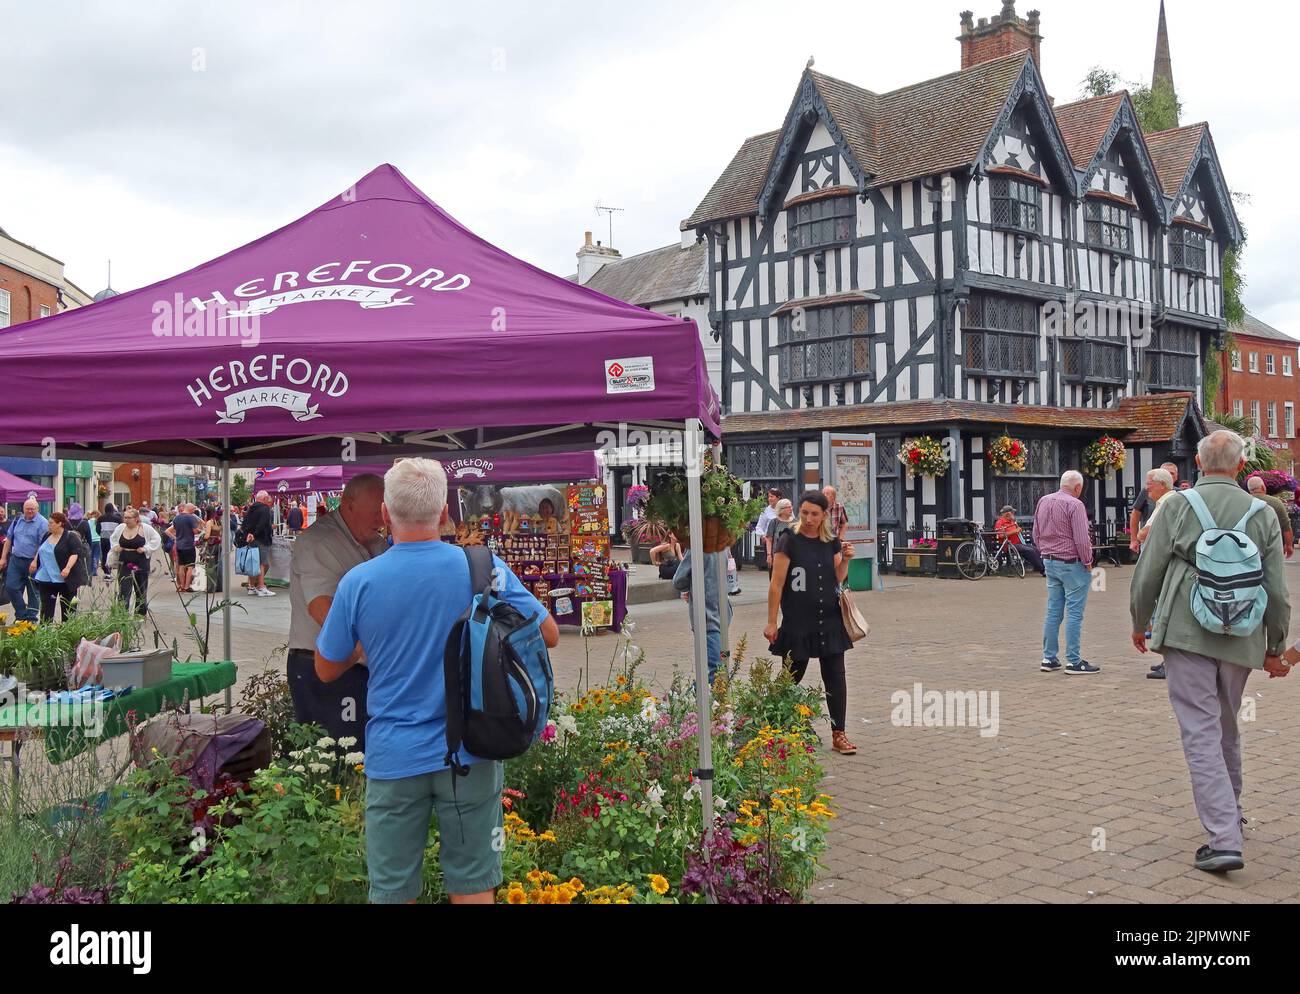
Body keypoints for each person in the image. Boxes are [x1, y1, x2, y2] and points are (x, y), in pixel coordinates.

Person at [315, 458, 559, 904]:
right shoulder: (484, 568)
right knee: (474, 886)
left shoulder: (358, 582)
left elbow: (326, 668)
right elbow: (548, 634)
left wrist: (364, 649)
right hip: (471, 749)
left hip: (393, 757)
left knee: (391, 891)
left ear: (386, 515)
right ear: (446, 513)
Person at [1130, 430, 1291, 874]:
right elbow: (1277, 589)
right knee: (1225, 726)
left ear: (1198, 465)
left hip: (1185, 633)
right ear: (1242, 467)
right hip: (1240, 637)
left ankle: (1222, 838)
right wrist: (1275, 645)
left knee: (1199, 731)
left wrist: (1139, 620)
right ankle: (1231, 814)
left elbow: (1149, 571)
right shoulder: (1261, 512)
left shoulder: (1177, 506)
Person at [289, 474, 389, 750]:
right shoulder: (318, 542)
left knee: (360, 750)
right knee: (335, 757)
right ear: (348, 505)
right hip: (321, 664)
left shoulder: (377, 544)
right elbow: (323, 610)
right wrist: (368, 644)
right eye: (374, 513)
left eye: (383, 512)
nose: (381, 521)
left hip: (360, 665)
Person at [764, 491, 858, 756]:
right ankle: (777, 731)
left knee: (836, 677)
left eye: (814, 514)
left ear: (824, 515)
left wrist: (847, 558)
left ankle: (839, 734)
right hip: (798, 621)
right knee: (790, 678)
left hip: (829, 618)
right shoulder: (788, 540)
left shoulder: (831, 542)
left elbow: (838, 577)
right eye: (804, 512)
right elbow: (777, 583)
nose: (808, 518)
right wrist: (772, 622)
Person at [1033, 470, 1098, 674]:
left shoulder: (1044, 500)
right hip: (1072, 563)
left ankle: (1049, 658)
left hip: (1049, 561)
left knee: (1053, 610)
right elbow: (1081, 538)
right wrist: (1088, 561)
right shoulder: (1075, 504)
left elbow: (1035, 533)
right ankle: (1073, 661)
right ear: (1078, 488)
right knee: (1074, 613)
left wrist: (1045, 552)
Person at [671, 548, 732, 685]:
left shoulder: (697, 546)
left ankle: (687, 700)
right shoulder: (723, 544)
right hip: (720, 614)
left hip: (707, 616)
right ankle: (690, 701)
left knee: (716, 669)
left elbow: (679, 580)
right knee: (720, 665)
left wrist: (690, 586)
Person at [30, 511, 88, 622]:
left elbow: (74, 554)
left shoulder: (70, 537)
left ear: (60, 523)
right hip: (46, 579)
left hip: (65, 580)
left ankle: (67, 634)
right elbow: (41, 548)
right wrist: (34, 561)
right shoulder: (47, 535)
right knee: (46, 611)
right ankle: (46, 635)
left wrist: (67, 568)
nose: (48, 525)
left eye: (51, 523)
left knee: (68, 611)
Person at [1, 499, 50, 623]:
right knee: (10, 587)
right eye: (27, 508)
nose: (30, 511)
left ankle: (31, 619)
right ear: (23, 509)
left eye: (32, 508)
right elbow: (9, 540)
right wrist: (3, 558)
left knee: (33, 591)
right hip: (16, 560)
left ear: (37, 509)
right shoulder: (18, 520)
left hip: (32, 562)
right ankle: (22, 614)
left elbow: (42, 545)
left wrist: (35, 561)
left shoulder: (42, 523)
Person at [108, 507, 161, 616]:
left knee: (140, 589)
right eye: (125, 517)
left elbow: (156, 539)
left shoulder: (145, 528)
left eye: (129, 518)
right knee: (124, 589)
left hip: (140, 561)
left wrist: (146, 548)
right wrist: (116, 546)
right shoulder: (121, 528)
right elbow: (113, 538)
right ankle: (122, 614)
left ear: (136, 518)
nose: (126, 520)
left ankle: (140, 614)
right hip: (124, 561)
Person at [1129, 461, 1180, 553]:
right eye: (1164, 472)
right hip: (1149, 542)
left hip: (1168, 544)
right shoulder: (1147, 491)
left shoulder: (1180, 494)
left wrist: (1141, 534)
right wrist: (1133, 540)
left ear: (1176, 476)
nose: (1167, 475)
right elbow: (1135, 514)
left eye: (1171, 473)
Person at [1245, 476, 1293, 559]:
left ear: (1249, 489)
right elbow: (1286, 526)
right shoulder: (1276, 503)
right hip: (1273, 545)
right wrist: (1289, 545)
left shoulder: (1244, 502)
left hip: (1249, 545)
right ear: (1263, 487)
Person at [239, 490, 276, 596]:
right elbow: (263, 524)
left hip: (251, 539)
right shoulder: (265, 509)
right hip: (262, 539)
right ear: (264, 498)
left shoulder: (251, 508)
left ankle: (251, 587)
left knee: (253, 563)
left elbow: (245, 524)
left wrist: (249, 535)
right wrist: (256, 533)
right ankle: (261, 587)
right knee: (262, 563)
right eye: (267, 498)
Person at [993, 505, 1044, 575]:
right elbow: (1001, 535)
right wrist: (1015, 531)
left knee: (1035, 549)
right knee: (1030, 551)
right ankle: (1042, 569)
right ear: (1008, 513)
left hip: (1019, 543)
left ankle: (1042, 567)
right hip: (1009, 545)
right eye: (1012, 512)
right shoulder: (1000, 522)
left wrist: (1018, 529)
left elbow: (1016, 530)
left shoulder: (1011, 521)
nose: (1013, 514)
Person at [167, 502, 205, 593]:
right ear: (191, 509)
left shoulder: (177, 518)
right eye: (193, 510)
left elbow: (173, 530)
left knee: (181, 566)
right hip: (188, 544)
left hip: (179, 545)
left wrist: (176, 538)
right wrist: (199, 531)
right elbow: (195, 531)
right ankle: (187, 586)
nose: (193, 512)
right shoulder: (191, 518)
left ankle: (181, 586)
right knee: (190, 566)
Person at [765, 498, 795, 573]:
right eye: (788, 507)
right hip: (776, 557)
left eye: (791, 506)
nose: (791, 509)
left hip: (792, 558)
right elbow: (769, 539)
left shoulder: (795, 523)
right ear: (781, 509)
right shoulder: (774, 522)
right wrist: (769, 555)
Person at [98, 503, 122, 579]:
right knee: (111, 554)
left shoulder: (100, 518)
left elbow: (97, 529)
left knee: (104, 554)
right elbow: (121, 529)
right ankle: (109, 570)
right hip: (113, 540)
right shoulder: (117, 518)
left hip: (103, 538)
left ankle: (105, 570)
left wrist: (102, 534)